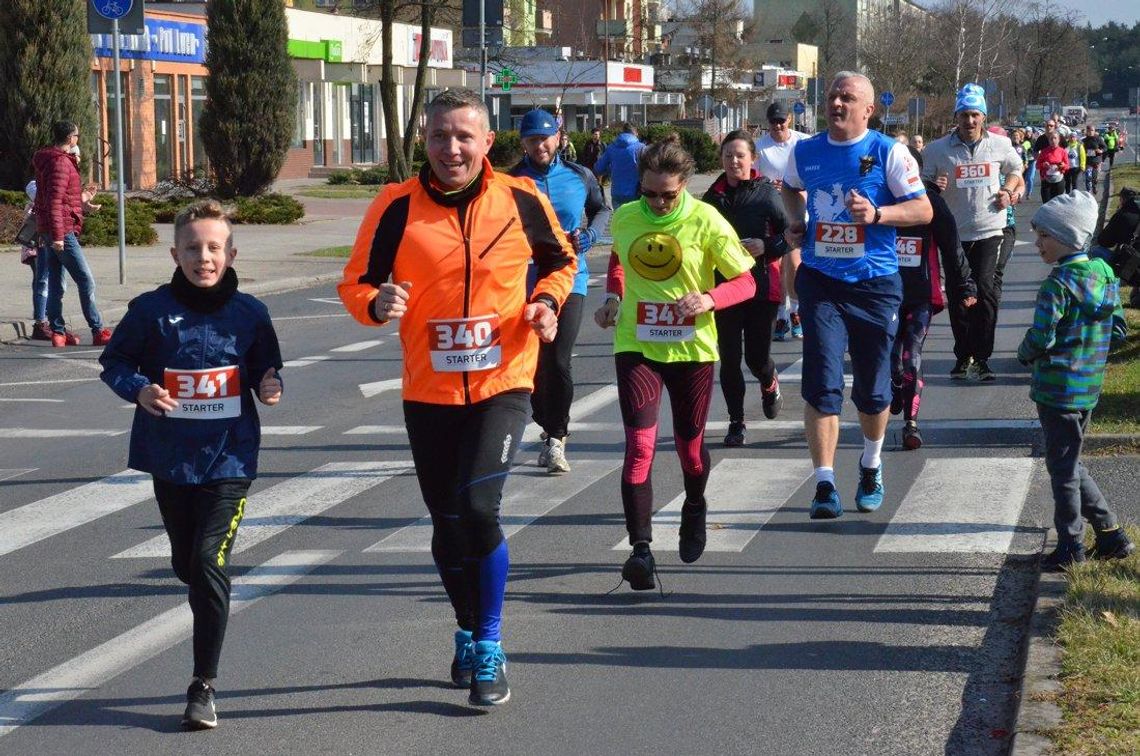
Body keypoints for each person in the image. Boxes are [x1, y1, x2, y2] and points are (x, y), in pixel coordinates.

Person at [338, 89, 577, 706]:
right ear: (426, 140)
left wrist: (546, 303)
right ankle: (467, 629)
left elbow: (562, 260)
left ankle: (491, 641)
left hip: (504, 380)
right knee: (446, 523)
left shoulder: (523, 199)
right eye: (441, 136)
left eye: (464, 137)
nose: (452, 149)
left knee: (479, 510)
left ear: (487, 142)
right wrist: (375, 303)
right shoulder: (395, 208)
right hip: (429, 388)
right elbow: (356, 282)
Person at [98, 200, 284, 729]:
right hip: (171, 459)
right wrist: (140, 390)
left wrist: (270, 386)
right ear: (175, 252)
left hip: (230, 458)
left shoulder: (251, 312)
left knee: (207, 564)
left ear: (230, 253)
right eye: (194, 248)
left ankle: (203, 685)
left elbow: (265, 369)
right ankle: (203, 587)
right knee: (187, 565)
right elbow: (114, 362)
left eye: (215, 248)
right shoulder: (150, 311)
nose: (205, 258)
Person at [594, 136, 756, 588]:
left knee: (689, 449)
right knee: (641, 447)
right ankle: (641, 551)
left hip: (691, 350)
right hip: (637, 346)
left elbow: (746, 283)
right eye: (650, 193)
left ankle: (694, 506)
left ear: (685, 184)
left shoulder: (706, 220)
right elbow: (620, 262)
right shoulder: (627, 218)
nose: (659, 203)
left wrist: (708, 297)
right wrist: (612, 298)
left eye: (669, 194)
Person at [781, 72, 932, 519]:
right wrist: (798, 222)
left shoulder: (888, 152)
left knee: (872, 390)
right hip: (822, 280)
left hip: (874, 285)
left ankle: (870, 463)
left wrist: (879, 212)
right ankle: (824, 484)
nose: (837, 102)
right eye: (833, 95)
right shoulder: (805, 151)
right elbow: (790, 188)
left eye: (848, 97)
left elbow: (922, 209)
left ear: (868, 109)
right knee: (823, 384)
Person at [1017, 191, 1134, 569]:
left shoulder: (1057, 285)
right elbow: (1117, 330)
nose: (1037, 244)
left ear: (1065, 236)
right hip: (1089, 386)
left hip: (1056, 388)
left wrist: (1024, 354)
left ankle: (1071, 545)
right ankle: (1110, 534)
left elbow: (1041, 336)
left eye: (1043, 236)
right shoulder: (1105, 274)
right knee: (1069, 459)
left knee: (1063, 469)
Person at [509, 108, 611, 473]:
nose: (540, 145)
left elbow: (602, 210)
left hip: (571, 276)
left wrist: (592, 235)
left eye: (545, 138)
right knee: (532, 363)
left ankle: (556, 437)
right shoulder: (510, 181)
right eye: (533, 139)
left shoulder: (579, 175)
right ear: (523, 142)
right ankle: (544, 420)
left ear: (558, 138)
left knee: (558, 358)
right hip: (523, 279)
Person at [920, 83, 1024, 382]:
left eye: (975, 115)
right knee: (959, 296)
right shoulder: (937, 149)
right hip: (954, 234)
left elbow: (1016, 169)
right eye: (964, 115)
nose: (969, 121)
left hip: (991, 229)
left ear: (984, 117)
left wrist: (1008, 189)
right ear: (957, 116)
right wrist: (933, 187)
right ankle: (963, 354)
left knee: (985, 290)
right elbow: (923, 185)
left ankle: (982, 357)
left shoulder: (1000, 145)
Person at [701, 129, 789, 446]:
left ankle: (769, 381)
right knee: (729, 358)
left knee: (756, 358)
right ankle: (736, 421)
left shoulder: (767, 194)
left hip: (761, 286)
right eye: (728, 155)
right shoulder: (711, 198)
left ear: (753, 158)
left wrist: (765, 246)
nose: (734, 161)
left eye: (740, 155)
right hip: (724, 288)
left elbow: (790, 237)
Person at [891, 148, 977, 449]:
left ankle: (911, 425)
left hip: (920, 294)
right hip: (882, 295)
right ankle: (896, 382)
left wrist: (965, 286)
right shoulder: (876, 196)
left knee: (910, 351)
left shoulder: (931, 201)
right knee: (892, 360)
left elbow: (952, 246)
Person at [32, 120, 112, 348]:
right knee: (85, 280)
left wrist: (84, 201)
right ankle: (98, 330)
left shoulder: (51, 160)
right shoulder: (60, 163)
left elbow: (61, 197)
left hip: (50, 229)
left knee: (57, 281)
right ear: (70, 138)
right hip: (61, 231)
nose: (78, 138)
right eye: (76, 135)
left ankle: (58, 333)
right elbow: (54, 201)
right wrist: (58, 236)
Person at [754, 101, 808, 341]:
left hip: (797, 208)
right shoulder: (760, 147)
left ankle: (795, 312)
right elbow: (753, 177)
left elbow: (812, 175)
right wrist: (769, 185)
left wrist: (800, 189)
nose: (778, 126)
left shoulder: (803, 142)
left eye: (781, 121)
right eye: (773, 122)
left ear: (789, 120)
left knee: (794, 264)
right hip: (771, 210)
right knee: (777, 267)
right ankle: (781, 316)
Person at [1097, 186, 1140, 308]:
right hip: (1135, 265)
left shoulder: (1123, 215)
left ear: (1122, 200)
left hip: (1131, 266)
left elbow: (1104, 241)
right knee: (1134, 300)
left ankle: (1105, 287)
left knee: (1096, 251)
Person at [594, 122, 645, 209]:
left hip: (617, 194)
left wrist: (611, 169)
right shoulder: (641, 148)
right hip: (636, 193)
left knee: (619, 220)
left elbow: (598, 168)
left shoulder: (611, 147)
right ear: (635, 133)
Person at [1036, 130, 1069, 204]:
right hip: (1046, 181)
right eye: (1051, 139)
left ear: (1058, 140)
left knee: (1058, 204)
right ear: (1049, 140)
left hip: (1059, 180)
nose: (1053, 140)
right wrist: (1043, 165)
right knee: (1046, 204)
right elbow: (1037, 165)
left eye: (1055, 138)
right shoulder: (1044, 151)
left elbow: (1067, 166)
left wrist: (1063, 166)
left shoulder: (1062, 151)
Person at [1081, 124, 1107, 193]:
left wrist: (1101, 150)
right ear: (1087, 131)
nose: (1090, 132)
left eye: (1092, 130)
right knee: (1088, 176)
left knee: (1094, 177)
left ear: (1094, 131)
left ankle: (1094, 187)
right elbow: (1081, 150)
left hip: (1096, 160)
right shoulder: (1084, 140)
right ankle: (1088, 191)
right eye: (1089, 130)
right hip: (1088, 161)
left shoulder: (1098, 139)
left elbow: (1105, 147)